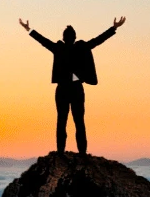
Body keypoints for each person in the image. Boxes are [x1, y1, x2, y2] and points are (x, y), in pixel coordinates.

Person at [18, 16, 126, 155]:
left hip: (64, 89)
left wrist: (28, 29)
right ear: (74, 37)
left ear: (64, 38)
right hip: (75, 89)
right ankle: (81, 153)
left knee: (63, 121)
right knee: (78, 121)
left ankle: (62, 152)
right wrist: (114, 28)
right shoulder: (80, 48)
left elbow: (43, 41)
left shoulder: (59, 48)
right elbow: (98, 40)